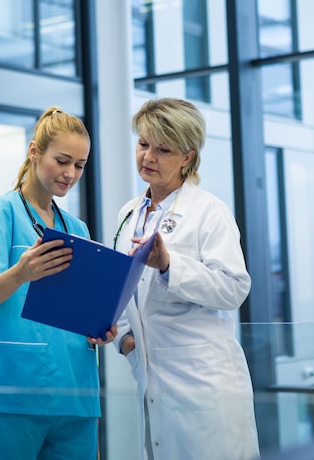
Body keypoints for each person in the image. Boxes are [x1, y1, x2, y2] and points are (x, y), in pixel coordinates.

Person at [113, 98, 260, 460]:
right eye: (143, 143)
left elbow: (234, 288)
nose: (148, 156)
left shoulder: (209, 211)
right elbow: (123, 290)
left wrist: (168, 265)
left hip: (204, 383)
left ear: (187, 157)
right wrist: (124, 341)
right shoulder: (128, 213)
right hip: (151, 379)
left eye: (163, 149)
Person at [0, 106, 116, 460]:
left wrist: (101, 326)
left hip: (75, 394)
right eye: (62, 161)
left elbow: (81, 312)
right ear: (34, 151)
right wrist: (21, 273)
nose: (70, 173)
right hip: (12, 392)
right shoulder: (1, 212)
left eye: (79, 165)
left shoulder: (77, 230)